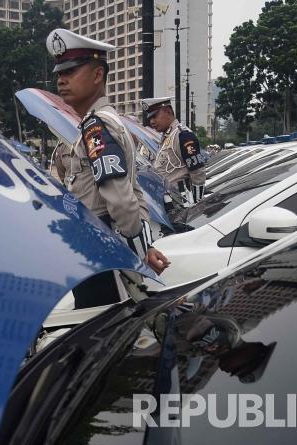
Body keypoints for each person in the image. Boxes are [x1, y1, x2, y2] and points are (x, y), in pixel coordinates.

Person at [46, 28, 170, 308]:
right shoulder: (100, 122)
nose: (61, 80)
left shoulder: (97, 126)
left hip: (99, 248)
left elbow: (121, 198)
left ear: (98, 75)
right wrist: (145, 245)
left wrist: (137, 256)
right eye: (59, 73)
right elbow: (133, 189)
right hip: (97, 248)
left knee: (99, 336)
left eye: (71, 70)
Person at [142, 97, 208, 207]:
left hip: (182, 204)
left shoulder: (183, 135)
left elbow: (197, 172)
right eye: (150, 118)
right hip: (168, 203)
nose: (151, 121)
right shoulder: (167, 136)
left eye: (154, 116)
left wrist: (198, 204)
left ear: (167, 111)